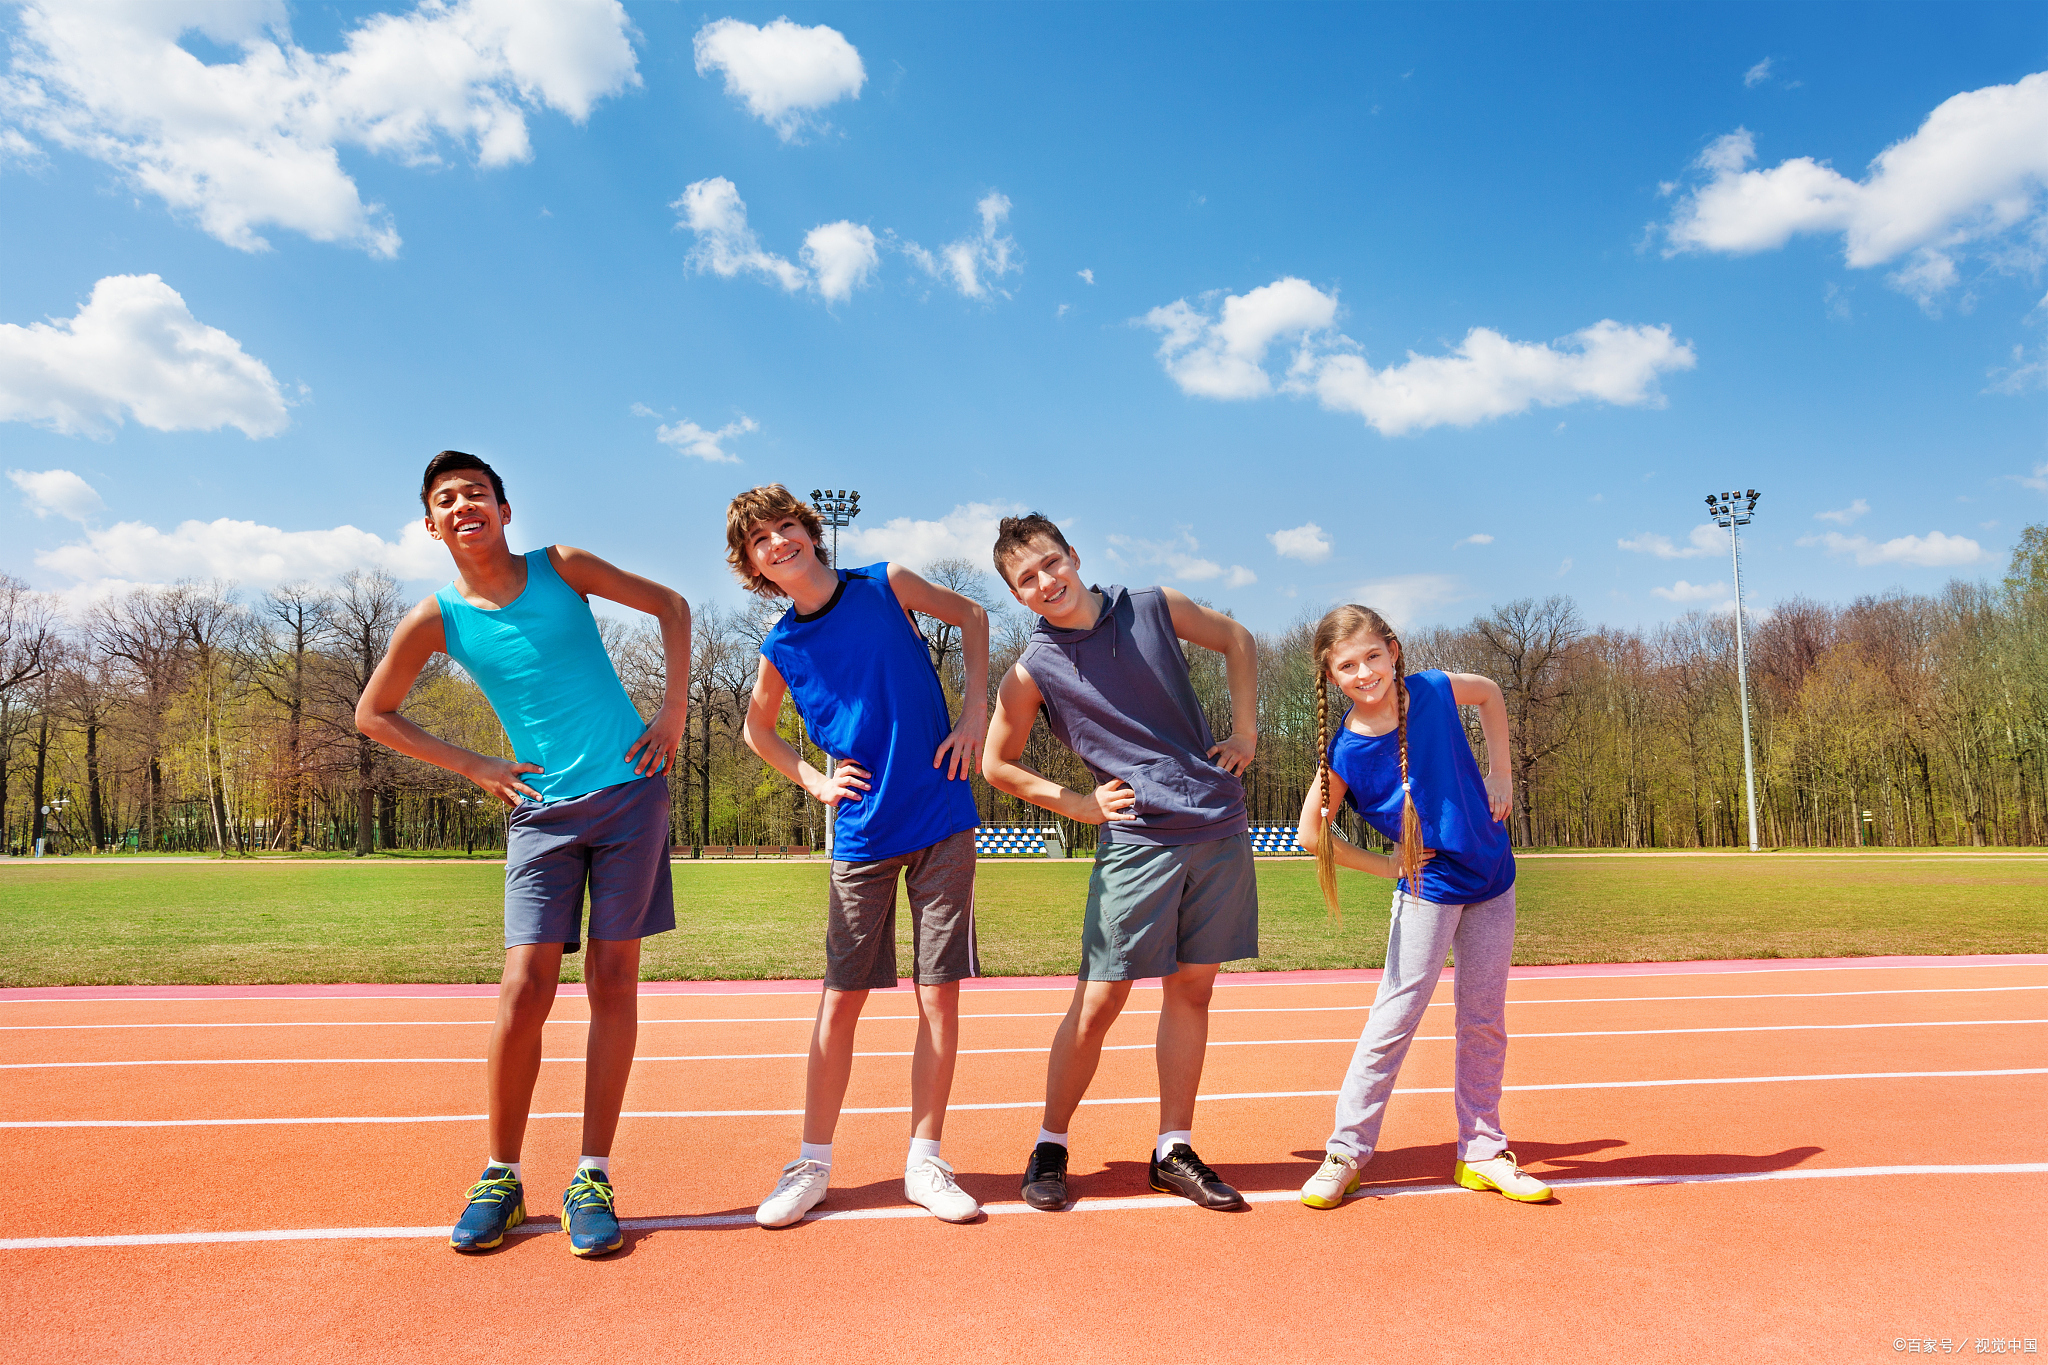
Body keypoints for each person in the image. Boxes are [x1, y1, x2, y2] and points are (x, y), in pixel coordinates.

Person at [356, 450, 690, 1256]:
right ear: (431, 526)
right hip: (539, 814)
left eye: (477, 492)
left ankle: (592, 1175)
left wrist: (673, 710)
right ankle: (501, 1175)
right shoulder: (436, 618)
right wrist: (476, 766)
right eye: (447, 498)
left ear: (505, 511)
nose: (464, 503)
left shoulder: (562, 566)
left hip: (630, 795)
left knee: (612, 978)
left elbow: (672, 606)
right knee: (523, 984)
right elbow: (375, 713)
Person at [728, 485, 989, 1228]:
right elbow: (758, 730)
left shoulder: (886, 583)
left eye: (786, 527)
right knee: (839, 1000)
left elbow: (972, 615)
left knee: (938, 994)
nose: (779, 542)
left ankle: (925, 1159)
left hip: (940, 811)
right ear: (753, 565)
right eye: (760, 541)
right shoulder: (780, 645)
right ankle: (811, 1161)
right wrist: (812, 777)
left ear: (810, 532)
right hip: (862, 832)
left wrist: (974, 711)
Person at [982, 513, 1258, 1212]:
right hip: (1137, 840)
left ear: (1073, 555)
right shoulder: (1034, 667)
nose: (1045, 582)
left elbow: (1237, 639)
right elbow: (995, 764)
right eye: (1026, 579)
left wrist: (1247, 731)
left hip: (1216, 822)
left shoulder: (1154, 607)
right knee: (1100, 998)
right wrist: (1079, 803)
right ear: (1018, 596)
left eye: (1050, 564)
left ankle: (1173, 1148)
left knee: (1193, 992)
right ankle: (1051, 1141)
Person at [1292, 603, 1552, 1209]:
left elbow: (1488, 693)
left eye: (1372, 657)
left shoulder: (1431, 691)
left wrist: (1502, 772)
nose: (1364, 673)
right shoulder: (1348, 751)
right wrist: (1387, 865)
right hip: (1428, 890)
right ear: (1331, 676)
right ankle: (1345, 1153)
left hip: (1492, 875)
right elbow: (1311, 831)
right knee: (1395, 1017)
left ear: (1394, 651)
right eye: (1348, 666)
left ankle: (1482, 1151)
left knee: (1484, 1020)